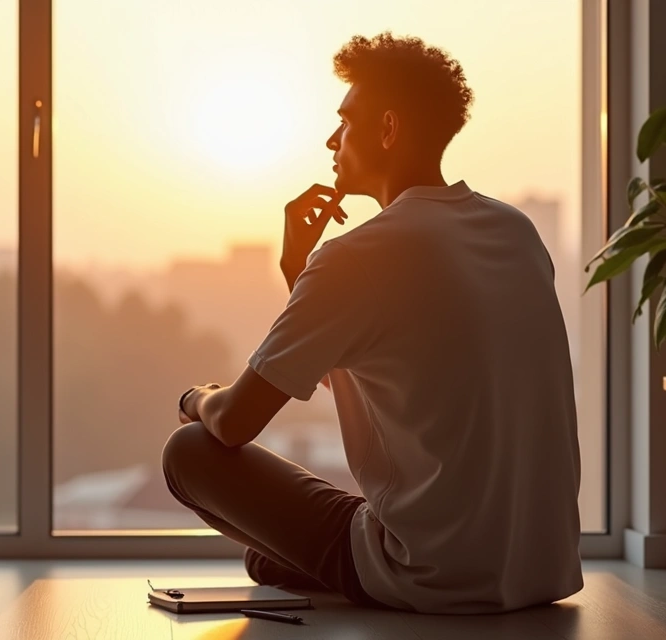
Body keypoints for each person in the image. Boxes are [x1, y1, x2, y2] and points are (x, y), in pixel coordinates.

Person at [162, 32, 583, 614]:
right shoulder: (516, 232)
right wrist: (298, 273)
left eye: (345, 122)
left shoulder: (357, 257)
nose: (332, 139)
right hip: (543, 568)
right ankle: (313, 558)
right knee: (266, 559)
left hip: (432, 572)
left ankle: (344, 562)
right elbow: (378, 372)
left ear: (388, 129)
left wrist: (196, 396)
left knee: (189, 452)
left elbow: (233, 423)